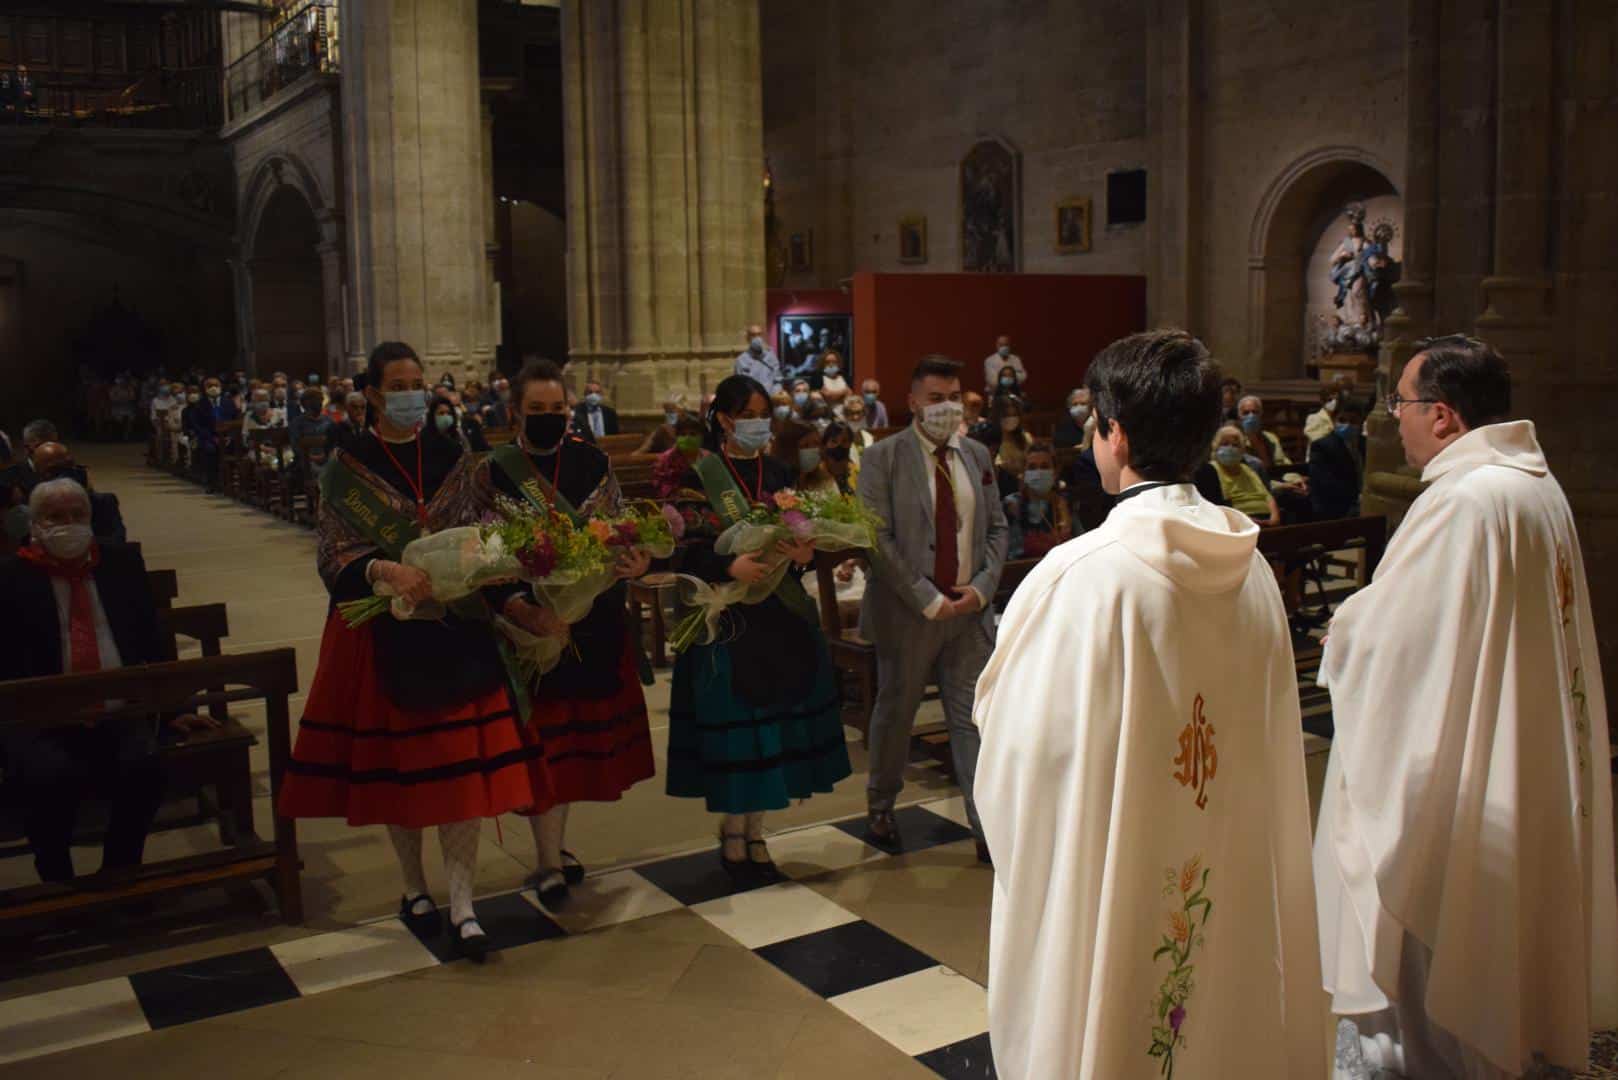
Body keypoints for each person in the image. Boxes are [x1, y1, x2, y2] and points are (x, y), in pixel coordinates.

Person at [972, 329, 1325, 1080]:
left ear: (1117, 433)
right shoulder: (1252, 566)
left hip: (1116, 869)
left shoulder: (1083, 575)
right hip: (1227, 848)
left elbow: (1019, 753)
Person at [1315, 335, 1617, 1080]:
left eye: (1401, 403)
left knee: (1436, 909)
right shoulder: (1533, 486)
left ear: (1443, 415)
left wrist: (1344, 629)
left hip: (1464, 762)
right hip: (1516, 739)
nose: (1396, 418)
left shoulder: (1464, 501)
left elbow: (1401, 642)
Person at [277, 341, 550, 961]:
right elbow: (333, 554)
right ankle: (413, 887)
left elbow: (487, 532)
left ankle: (463, 905)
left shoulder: (455, 455)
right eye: (397, 386)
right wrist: (386, 570)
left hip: (456, 627)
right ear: (374, 394)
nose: (410, 395)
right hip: (385, 629)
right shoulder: (348, 466)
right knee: (402, 772)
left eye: (416, 384)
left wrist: (504, 575)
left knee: (459, 773)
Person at [481, 359, 655, 909]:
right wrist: (520, 608)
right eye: (538, 409)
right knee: (543, 748)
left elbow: (619, 527)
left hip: (591, 621)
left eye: (558, 408)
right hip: (528, 625)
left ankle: (554, 848)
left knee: (572, 750)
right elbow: (481, 553)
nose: (550, 417)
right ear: (515, 413)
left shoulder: (591, 461)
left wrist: (637, 558)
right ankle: (548, 862)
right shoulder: (492, 471)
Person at [664, 375, 852, 874]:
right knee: (742, 732)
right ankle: (732, 831)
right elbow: (682, 549)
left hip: (779, 615)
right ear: (725, 420)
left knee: (774, 730)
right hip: (728, 616)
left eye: (764, 415)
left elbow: (799, 534)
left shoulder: (779, 470)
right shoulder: (698, 474)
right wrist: (729, 566)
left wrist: (805, 554)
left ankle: (757, 831)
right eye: (748, 415)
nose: (759, 424)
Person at [0, 479, 217, 883]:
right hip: (43, 718)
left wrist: (172, 709)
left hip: (119, 710)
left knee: (146, 769)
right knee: (47, 779)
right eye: (55, 517)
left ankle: (120, 868)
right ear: (35, 524)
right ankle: (57, 879)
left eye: (77, 515)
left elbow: (151, 640)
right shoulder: (11, 578)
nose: (68, 525)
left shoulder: (119, 564)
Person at [857, 355, 1006, 859]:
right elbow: (876, 538)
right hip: (908, 612)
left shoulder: (977, 455)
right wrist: (926, 597)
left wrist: (980, 589)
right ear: (913, 402)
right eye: (936, 399)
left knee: (972, 720)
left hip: (968, 611)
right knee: (896, 713)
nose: (948, 407)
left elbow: (997, 528)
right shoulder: (883, 458)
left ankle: (986, 827)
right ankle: (881, 807)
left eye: (954, 398)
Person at [29, 442, 127, 542]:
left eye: (69, 465)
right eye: (54, 470)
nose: (66, 474)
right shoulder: (31, 509)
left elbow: (117, 543)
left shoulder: (104, 503)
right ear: (39, 476)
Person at [1004, 442, 1071, 558]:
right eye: (1032, 467)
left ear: (1055, 472)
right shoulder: (1011, 504)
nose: (1038, 473)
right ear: (1023, 473)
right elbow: (1011, 551)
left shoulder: (1063, 504)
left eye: (1044, 467)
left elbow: (1079, 543)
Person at [1204, 424, 1280, 525]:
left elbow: (1268, 497)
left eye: (1235, 445)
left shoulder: (1247, 469)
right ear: (1216, 447)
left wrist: (1274, 518)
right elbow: (1220, 505)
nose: (1230, 448)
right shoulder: (1211, 471)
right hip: (1239, 521)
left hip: (1266, 519)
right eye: (1225, 444)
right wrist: (1245, 520)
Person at [1308, 396, 1365, 519]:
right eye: (1342, 420)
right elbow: (1326, 485)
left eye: (1353, 421)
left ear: (1361, 422)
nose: (1347, 425)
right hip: (1334, 509)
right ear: (1333, 420)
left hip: (1360, 505)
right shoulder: (1322, 446)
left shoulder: (1365, 444)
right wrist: (1357, 497)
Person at [775, 420, 835, 494]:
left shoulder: (824, 480)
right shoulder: (774, 485)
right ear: (788, 451)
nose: (813, 449)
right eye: (805, 445)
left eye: (816, 443)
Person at [734, 324, 783, 394]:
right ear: (748, 338)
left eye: (759, 334)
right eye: (753, 335)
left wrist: (775, 393)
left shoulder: (771, 357)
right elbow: (740, 385)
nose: (757, 338)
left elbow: (778, 380)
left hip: (770, 397)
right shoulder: (741, 360)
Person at [1304, 375, 1354, 445]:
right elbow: (1316, 440)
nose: (1334, 403)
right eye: (1330, 400)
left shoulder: (1339, 418)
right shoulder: (1313, 418)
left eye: (1336, 399)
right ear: (1323, 401)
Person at [326, 391, 369, 456]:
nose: (359, 411)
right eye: (355, 407)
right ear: (346, 407)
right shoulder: (335, 428)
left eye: (363, 407)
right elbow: (332, 453)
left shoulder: (369, 429)